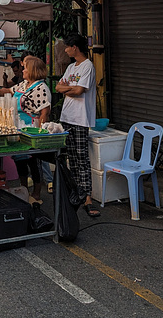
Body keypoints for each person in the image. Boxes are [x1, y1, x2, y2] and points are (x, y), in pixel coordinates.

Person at [0, 55, 51, 202]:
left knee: (33, 162)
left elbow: (44, 113)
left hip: (32, 129)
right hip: (18, 127)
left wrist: (39, 133)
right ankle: (23, 188)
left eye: (25, 68)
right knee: (20, 160)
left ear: (33, 70)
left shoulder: (41, 88)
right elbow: (9, 91)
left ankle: (36, 192)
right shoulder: (24, 84)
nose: (23, 70)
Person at [56, 33, 100, 218]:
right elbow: (59, 87)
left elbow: (80, 90)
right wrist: (69, 90)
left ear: (75, 47)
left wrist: (69, 90)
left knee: (82, 159)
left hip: (81, 119)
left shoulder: (87, 66)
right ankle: (76, 193)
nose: (65, 50)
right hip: (67, 116)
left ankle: (87, 197)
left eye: (67, 46)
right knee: (71, 158)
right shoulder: (71, 67)